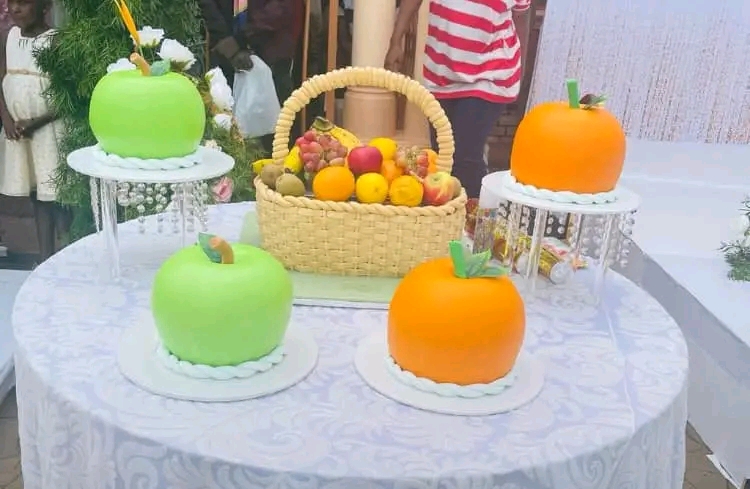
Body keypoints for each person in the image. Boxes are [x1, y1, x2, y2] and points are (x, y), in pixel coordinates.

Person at [384, 0, 531, 198]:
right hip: (441, 73)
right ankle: (448, 221)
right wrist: (395, 42)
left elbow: (521, 17)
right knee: (443, 158)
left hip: (490, 73)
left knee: (465, 158)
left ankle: (475, 221)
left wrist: (521, 70)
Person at [0, 0, 61, 260]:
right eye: (11, 2)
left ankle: (61, 254)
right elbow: (2, 80)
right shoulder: (9, 36)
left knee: (54, 195)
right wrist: (6, 119)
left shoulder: (56, 41)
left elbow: (66, 98)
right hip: (17, 131)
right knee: (36, 195)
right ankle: (45, 257)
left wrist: (37, 121)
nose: (15, 9)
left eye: (23, 3)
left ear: (44, 7)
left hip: (47, 132)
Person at [199, 0, 305, 105]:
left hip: (271, 50)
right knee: (225, 113)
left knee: (274, 116)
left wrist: (239, 39)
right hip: (224, 49)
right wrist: (223, 38)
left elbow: (279, 8)